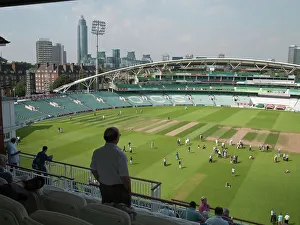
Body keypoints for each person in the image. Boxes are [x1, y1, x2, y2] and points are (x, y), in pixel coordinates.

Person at [90, 127, 131, 206]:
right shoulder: (120, 154)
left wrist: (102, 181)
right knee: (122, 212)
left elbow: (93, 170)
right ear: (116, 138)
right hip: (118, 189)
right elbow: (125, 177)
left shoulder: (97, 152)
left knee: (107, 209)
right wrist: (128, 192)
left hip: (104, 187)